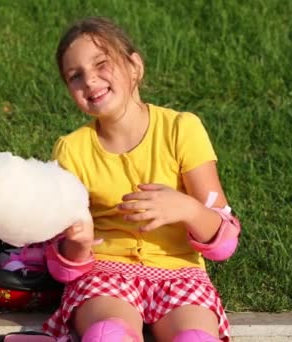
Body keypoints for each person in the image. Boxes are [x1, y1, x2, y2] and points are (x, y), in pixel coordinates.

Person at [42, 17, 241, 342]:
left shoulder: (181, 129)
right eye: (75, 76)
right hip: (104, 274)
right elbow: (64, 267)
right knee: (108, 335)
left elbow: (224, 242)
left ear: (135, 66)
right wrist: (77, 245)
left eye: (101, 64)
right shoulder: (71, 149)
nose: (90, 81)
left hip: (181, 274)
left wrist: (187, 209)